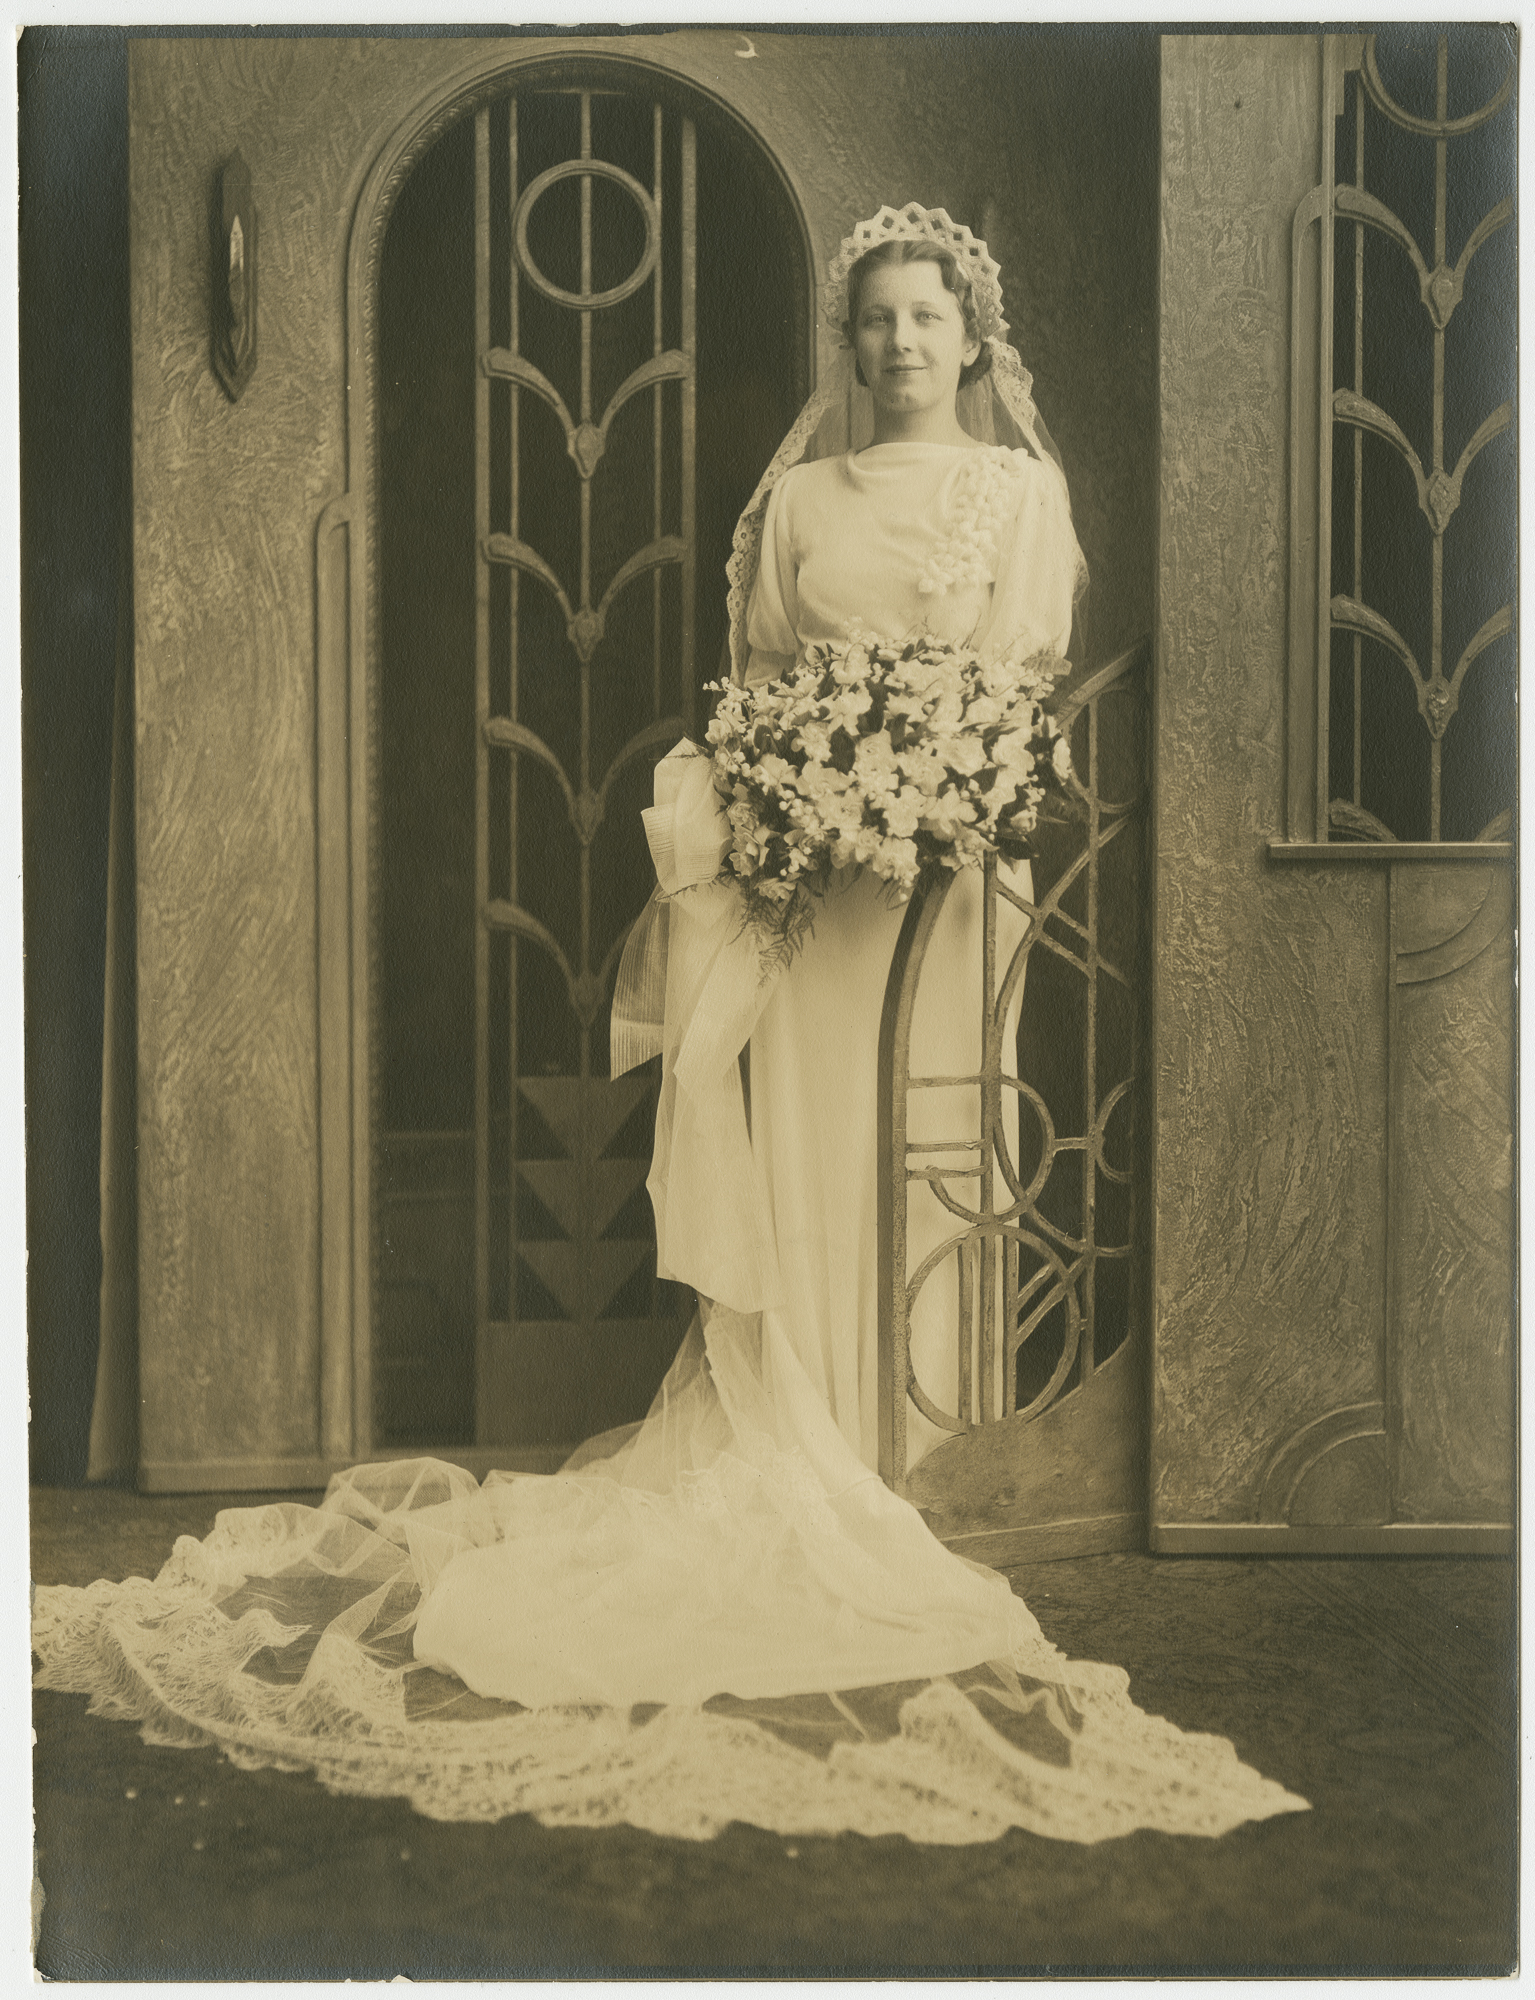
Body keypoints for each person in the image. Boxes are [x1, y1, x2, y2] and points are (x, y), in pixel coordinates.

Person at [33, 205, 1308, 1845]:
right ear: (850, 341)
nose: (900, 345)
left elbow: (1021, 695)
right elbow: (760, 684)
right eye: (875, 321)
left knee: (932, 1129)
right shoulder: (799, 505)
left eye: (925, 319)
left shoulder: (1022, 494)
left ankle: (936, 1453)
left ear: (972, 337)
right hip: (809, 885)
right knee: (811, 1141)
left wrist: (931, 779)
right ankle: (820, 1433)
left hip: (943, 887)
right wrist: (801, 779)